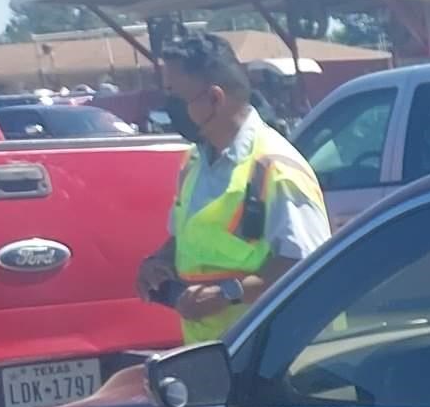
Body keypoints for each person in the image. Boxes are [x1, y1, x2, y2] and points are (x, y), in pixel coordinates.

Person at [134, 33, 329, 344]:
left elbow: (307, 265)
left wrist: (227, 294)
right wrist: (159, 262)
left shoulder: (276, 167)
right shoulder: (195, 160)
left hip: (274, 353)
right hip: (215, 353)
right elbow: (188, 237)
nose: (168, 107)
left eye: (176, 96)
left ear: (215, 98)